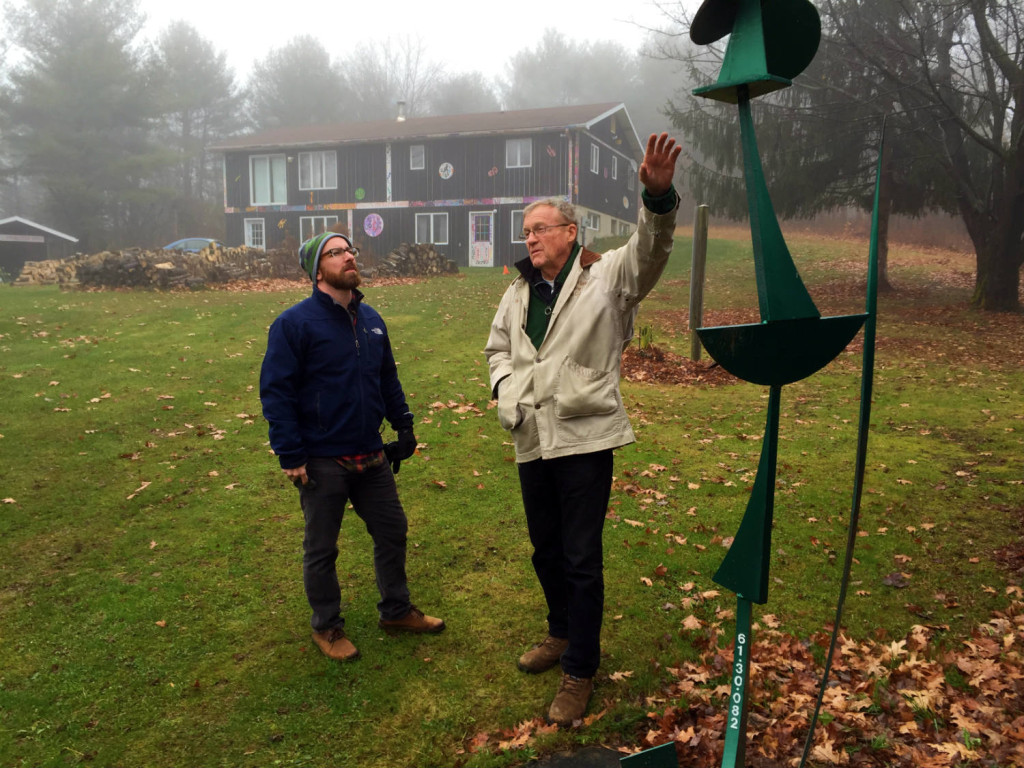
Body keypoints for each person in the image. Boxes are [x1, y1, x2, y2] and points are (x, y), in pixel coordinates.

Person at [484, 133, 682, 725]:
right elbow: (497, 348)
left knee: (580, 555)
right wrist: (503, 389)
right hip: (530, 434)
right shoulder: (518, 290)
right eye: (526, 232)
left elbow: (652, 250)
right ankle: (559, 631)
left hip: (584, 437)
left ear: (571, 232)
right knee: (545, 548)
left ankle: (580, 669)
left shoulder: (609, 276)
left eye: (540, 229)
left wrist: (658, 198)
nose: (531, 239)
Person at [260, 231, 444, 662]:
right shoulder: (295, 324)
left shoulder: (372, 319)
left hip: (370, 451)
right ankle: (326, 626)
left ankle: (396, 611)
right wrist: (290, 454)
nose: (348, 257)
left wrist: (404, 426)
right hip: (322, 458)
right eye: (335, 252)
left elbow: (387, 379)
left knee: (392, 531)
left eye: (349, 250)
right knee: (322, 547)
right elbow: (276, 392)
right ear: (317, 268)